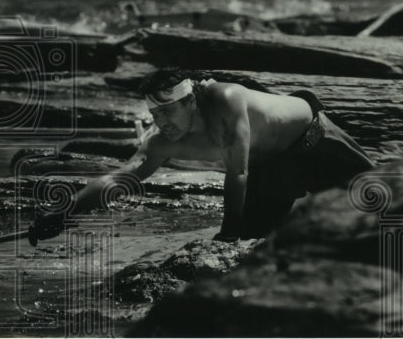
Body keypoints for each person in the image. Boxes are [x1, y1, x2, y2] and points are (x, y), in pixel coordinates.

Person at [28, 68, 374, 244]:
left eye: (168, 112)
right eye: (155, 115)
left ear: (191, 101)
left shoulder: (223, 100)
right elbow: (124, 175)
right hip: (271, 170)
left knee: (387, 208)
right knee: (250, 243)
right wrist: (65, 211)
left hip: (316, 140)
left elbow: (237, 172)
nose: (160, 122)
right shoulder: (161, 141)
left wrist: (226, 230)